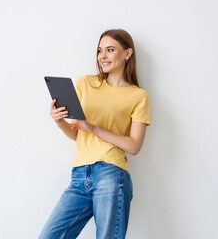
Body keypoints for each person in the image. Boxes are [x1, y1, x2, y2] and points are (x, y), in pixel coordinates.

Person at [39, 29, 151, 239]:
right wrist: (59, 120)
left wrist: (94, 128)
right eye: (100, 50)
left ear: (127, 54)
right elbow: (77, 134)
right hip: (80, 175)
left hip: (111, 174)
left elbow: (134, 145)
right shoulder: (86, 83)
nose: (103, 56)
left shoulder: (138, 96)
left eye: (110, 50)